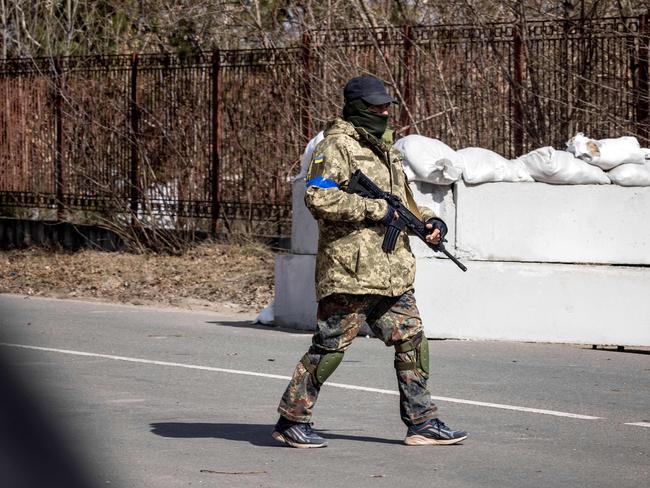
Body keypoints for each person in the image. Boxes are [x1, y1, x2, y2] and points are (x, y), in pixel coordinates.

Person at [272, 75, 468, 448]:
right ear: (356, 107)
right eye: (376, 106)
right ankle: (291, 420)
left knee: (412, 342)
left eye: (386, 106)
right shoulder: (336, 147)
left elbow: (404, 205)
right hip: (351, 272)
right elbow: (319, 198)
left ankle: (422, 422)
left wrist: (428, 221)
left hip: (392, 273)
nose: (384, 112)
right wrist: (375, 209)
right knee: (329, 349)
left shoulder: (387, 151)